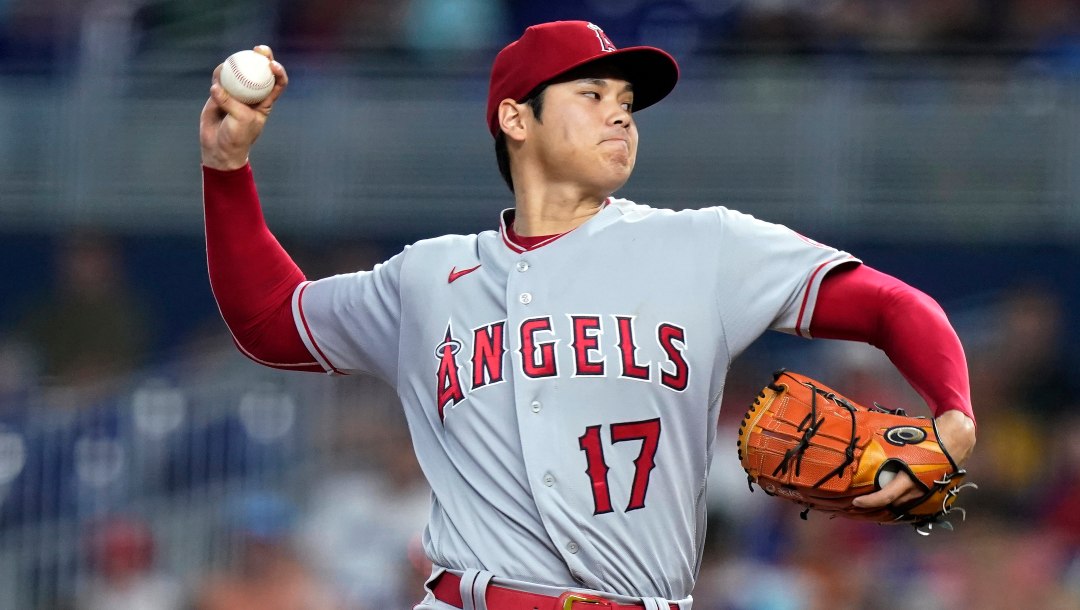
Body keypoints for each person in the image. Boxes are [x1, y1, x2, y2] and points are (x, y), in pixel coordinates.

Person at [199, 20, 976, 610]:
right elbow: (271, 320)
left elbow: (893, 306)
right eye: (592, 95)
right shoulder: (428, 277)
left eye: (627, 102)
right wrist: (228, 170)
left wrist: (954, 419)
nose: (621, 116)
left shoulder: (705, 245)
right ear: (515, 119)